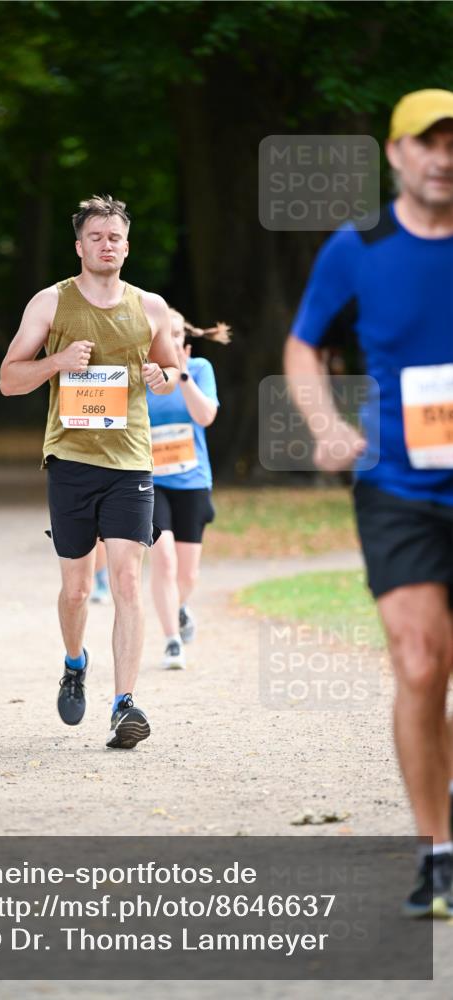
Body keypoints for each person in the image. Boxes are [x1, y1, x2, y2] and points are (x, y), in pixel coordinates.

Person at [284, 89, 453, 917]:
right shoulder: (357, 247)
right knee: (419, 663)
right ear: (395, 153)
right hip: (398, 486)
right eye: (428, 143)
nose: (443, 159)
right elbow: (302, 343)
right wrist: (324, 426)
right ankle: (437, 853)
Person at [0, 194, 179, 748]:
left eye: (115, 238)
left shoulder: (151, 307)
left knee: (126, 579)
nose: (107, 245)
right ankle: (75, 663)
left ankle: (125, 704)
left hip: (131, 461)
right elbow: (8, 379)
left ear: (127, 247)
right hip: (71, 461)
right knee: (77, 590)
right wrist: (56, 362)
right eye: (96, 237)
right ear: (79, 247)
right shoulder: (51, 303)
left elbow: (174, 371)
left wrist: (163, 377)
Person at [148, 309, 229, 668]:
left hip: (192, 481)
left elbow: (206, 416)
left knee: (188, 574)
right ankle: (172, 641)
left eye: (177, 334)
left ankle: (179, 607)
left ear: (185, 339)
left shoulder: (199, 370)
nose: (171, 339)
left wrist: (181, 376)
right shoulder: (140, 374)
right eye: (164, 334)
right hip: (149, 481)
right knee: (163, 560)